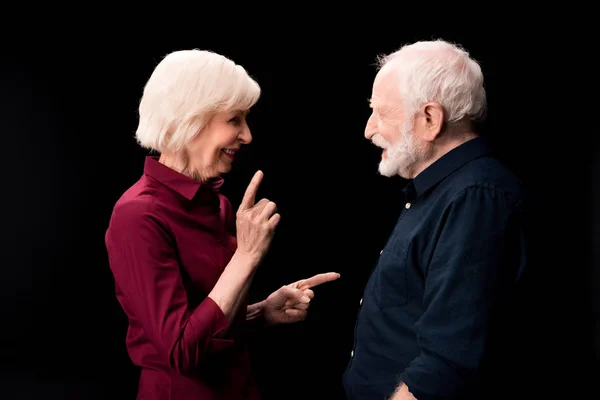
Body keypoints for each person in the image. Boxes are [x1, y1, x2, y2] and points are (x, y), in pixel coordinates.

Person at [104, 49, 340, 400]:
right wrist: (246, 257)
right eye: (234, 120)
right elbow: (182, 353)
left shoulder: (218, 204)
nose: (247, 136)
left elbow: (207, 324)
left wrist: (262, 314)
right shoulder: (137, 216)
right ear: (189, 120)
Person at [342, 40, 531, 399]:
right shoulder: (443, 190)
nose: (369, 129)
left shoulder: (476, 199)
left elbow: (446, 368)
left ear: (430, 119)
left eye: (381, 113)